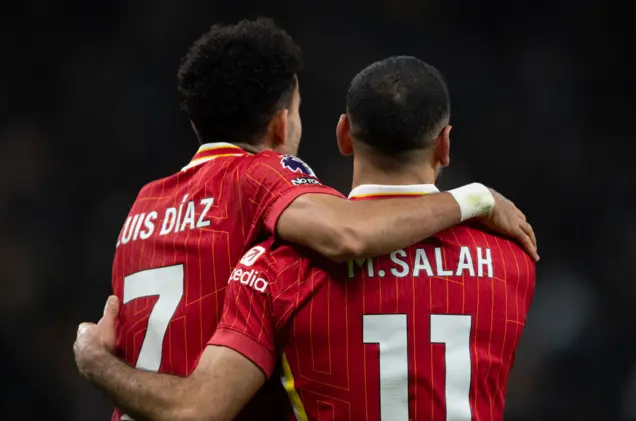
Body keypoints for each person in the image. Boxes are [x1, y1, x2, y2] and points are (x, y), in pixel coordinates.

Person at [74, 19, 536, 421]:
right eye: (297, 111)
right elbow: (349, 233)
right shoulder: (263, 177)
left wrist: (99, 362)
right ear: (280, 124)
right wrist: (475, 198)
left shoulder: (143, 206)